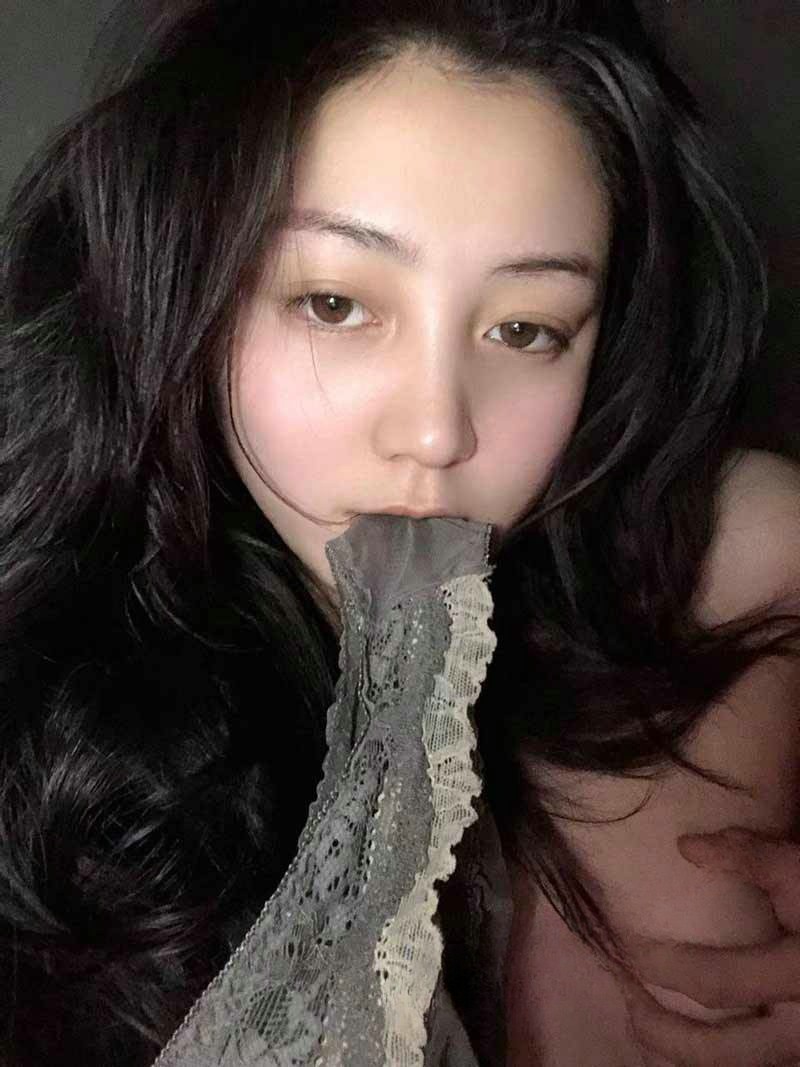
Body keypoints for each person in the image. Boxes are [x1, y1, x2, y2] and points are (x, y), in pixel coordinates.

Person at [1, 0, 800, 1064]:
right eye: (334, 304)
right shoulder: (46, 710)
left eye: (524, 329)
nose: (435, 431)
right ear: (180, 291)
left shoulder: (711, 575)